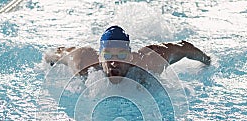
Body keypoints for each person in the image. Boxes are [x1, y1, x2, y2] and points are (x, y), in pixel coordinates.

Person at [44, 25, 211, 84]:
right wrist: (47, 60)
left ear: (131, 56)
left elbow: (184, 47)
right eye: (108, 55)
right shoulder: (82, 62)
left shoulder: (150, 61)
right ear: (99, 56)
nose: (114, 62)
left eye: (121, 55)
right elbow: (55, 54)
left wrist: (207, 61)